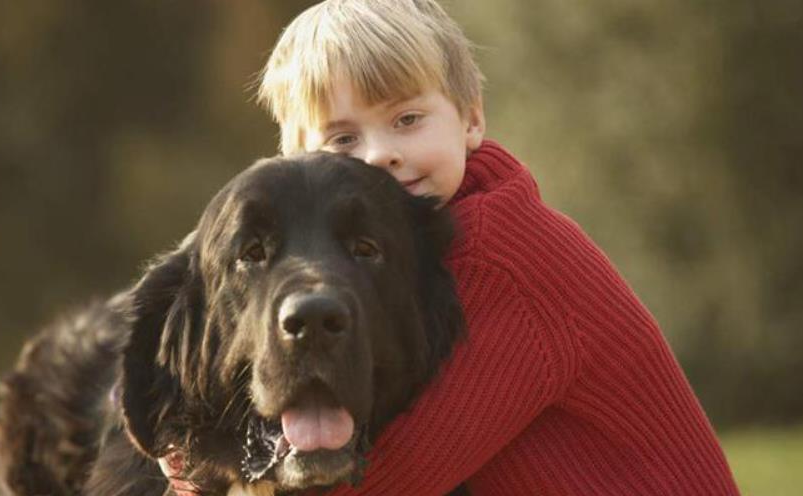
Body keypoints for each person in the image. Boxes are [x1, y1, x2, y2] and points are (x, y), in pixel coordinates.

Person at [257, 0, 740, 494]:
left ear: (470, 121)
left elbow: (401, 471)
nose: (381, 154)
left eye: (407, 119)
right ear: (297, 161)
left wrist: (217, 481)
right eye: (342, 139)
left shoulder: (497, 259)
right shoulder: (403, 249)